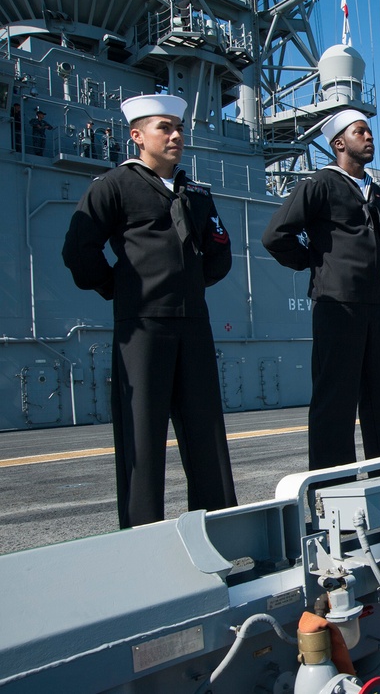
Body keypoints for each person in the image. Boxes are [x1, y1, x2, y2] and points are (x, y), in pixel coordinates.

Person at [62, 94, 237, 528]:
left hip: (193, 323)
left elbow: (220, 250)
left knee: (206, 434)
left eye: (179, 127)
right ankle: (142, 538)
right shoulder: (114, 185)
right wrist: (117, 288)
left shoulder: (195, 192)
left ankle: (219, 530)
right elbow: (79, 249)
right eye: (165, 127)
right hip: (141, 325)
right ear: (137, 136)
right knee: (141, 437)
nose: (176, 135)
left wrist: (192, 284)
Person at [263, 108, 380, 469]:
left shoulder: (378, 194)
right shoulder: (320, 185)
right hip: (336, 304)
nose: (369, 137)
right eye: (360, 132)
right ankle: (331, 490)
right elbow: (275, 236)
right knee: (335, 401)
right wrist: (317, 262)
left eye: (369, 131)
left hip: (375, 305)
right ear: (339, 143)